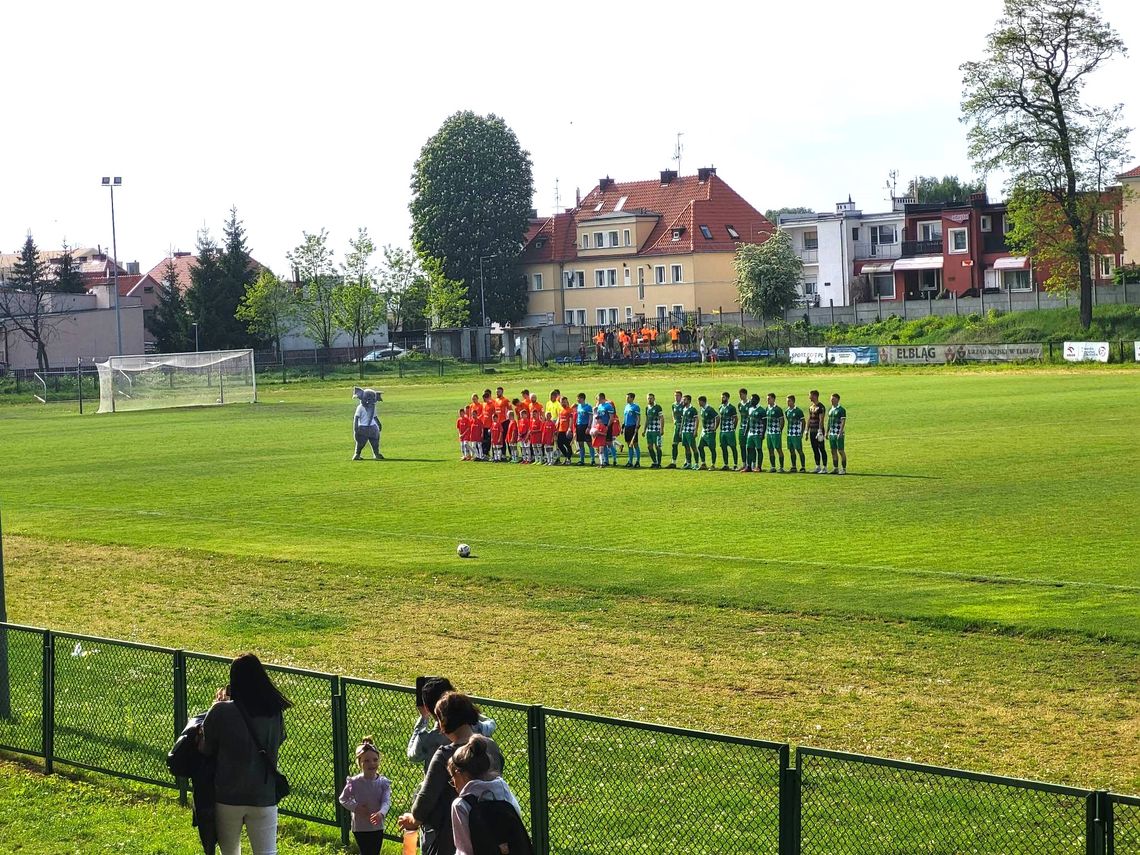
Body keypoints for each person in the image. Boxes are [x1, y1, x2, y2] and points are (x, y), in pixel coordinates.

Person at [200, 653, 292, 855]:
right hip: (263, 794)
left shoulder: (221, 711)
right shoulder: (274, 712)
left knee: (230, 852)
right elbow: (279, 740)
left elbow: (205, 748)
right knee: (267, 852)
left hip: (227, 794)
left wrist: (215, 706)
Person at [399, 693, 504, 855]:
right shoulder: (490, 746)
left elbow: (426, 798)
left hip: (452, 835)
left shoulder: (445, 755)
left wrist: (413, 819)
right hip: (491, 832)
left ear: (444, 723)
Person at [448, 735, 524, 855]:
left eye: (452, 779)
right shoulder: (502, 789)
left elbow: (465, 850)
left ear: (458, 774)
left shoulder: (461, 805)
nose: (454, 785)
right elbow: (517, 816)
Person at [339, 738, 392, 855]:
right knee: (366, 851)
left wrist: (381, 813)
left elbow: (386, 801)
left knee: (374, 852)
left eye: (375, 760)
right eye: (366, 761)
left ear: (379, 761)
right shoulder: (354, 782)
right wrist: (356, 807)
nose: (371, 763)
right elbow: (343, 798)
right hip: (360, 826)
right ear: (359, 763)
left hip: (377, 826)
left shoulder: (383, 783)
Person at [807, 390, 828, 474]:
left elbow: (821, 420)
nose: (809, 397)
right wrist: (806, 430)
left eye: (810, 395)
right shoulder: (811, 407)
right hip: (812, 430)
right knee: (814, 448)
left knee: (821, 448)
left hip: (818, 431)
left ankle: (825, 467)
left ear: (814, 396)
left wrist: (820, 430)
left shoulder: (821, 407)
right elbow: (809, 419)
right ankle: (817, 466)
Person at [743, 393, 765, 473]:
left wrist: (763, 434)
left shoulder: (761, 410)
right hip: (750, 433)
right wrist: (746, 431)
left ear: (757, 400)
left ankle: (759, 467)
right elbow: (749, 421)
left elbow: (764, 423)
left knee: (758, 449)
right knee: (749, 449)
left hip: (758, 433)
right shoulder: (750, 409)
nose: (751, 400)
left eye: (752, 399)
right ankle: (748, 466)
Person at [785, 395, 807, 473]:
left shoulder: (798, 411)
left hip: (796, 434)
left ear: (793, 401)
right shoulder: (787, 411)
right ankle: (793, 466)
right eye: (787, 401)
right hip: (789, 434)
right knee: (791, 450)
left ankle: (803, 467)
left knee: (799, 450)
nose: (787, 402)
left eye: (789, 401)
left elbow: (803, 422)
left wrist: (802, 432)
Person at [765, 392, 786, 472]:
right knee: (770, 449)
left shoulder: (778, 409)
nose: (768, 400)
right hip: (769, 433)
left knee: (778, 449)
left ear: (773, 399)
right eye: (767, 399)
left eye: (769, 399)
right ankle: (773, 466)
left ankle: (781, 467)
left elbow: (782, 421)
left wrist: (779, 430)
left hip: (776, 433)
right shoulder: (767, 408)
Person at [717, 392, 739, 471]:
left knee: (733, 447)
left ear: (727, 398)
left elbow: (736, 419)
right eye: (721, 397)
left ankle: (735, 464)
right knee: (723, 447)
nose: (722, 399)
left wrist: (733, 428)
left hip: (729, 431)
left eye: (723, 397)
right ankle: (726, 464)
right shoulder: (720, 407)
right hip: (722, 431)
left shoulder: (731, 408)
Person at [696, 395, 718, 470]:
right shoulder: (702, 409)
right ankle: (703, 463)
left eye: (698, 401)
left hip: (710, 432)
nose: (698, 403)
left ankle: (713, 464)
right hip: (704, 432)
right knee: (700, 447)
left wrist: (715, 427)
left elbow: (717, 417)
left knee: (712, 448)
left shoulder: (710, 409)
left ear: (702, 401)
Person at [827, 393, 847, 475]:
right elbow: (829, 421)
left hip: (838, 434)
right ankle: (835, 468)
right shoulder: (830, 409)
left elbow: (843, 422)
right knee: (833, 451)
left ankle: (844, 469)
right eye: (831, 399)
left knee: (841, 451)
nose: (831, 400)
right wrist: (826, 432)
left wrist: (840, 432)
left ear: (838, 399)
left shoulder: (841, 410)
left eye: (833, 399)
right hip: (831, 434)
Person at [643, 393, 664, 468]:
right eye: (648, 398)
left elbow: (661, 418)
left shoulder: (658, 407)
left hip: (656, 430)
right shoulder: (647, 408)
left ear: (654, 399)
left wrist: (661, 429)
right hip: (649, 431)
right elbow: (647, 419)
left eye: (651, 398)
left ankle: (659, 463)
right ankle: (654, 462)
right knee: (649, 447)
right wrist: (644, 430)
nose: (649, 400)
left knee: (657, 446)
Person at [679, 394, 699, 470]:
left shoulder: (693, 409)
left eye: (685, 400)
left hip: (690, 431)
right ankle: (688, 463)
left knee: (693, 447)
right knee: (686, 448)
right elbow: (683, 421)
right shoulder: (684, 409)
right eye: (683, 400)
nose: (683, 401)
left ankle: (696, 463)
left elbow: (697, 420)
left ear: (689, 401)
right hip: (684, 431)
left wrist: (695, 430)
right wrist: (681, 430)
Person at [574, 392, 594, 465]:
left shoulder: (588, 407)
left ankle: (592, 460)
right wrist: (576, 426)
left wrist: (589, 427)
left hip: (586, 426)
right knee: (580, 443)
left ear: (582, 398)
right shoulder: (578, 406)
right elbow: (578, 416)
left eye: (578, 398)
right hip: (579, 426)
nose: (577, 400)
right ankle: (582, 460)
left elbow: (590, 418)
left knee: (589, 443)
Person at [622, 392, 641, 468]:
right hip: (627, 427)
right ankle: (630, 461)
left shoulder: (636, 407)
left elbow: (638, 418)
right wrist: (622, 427)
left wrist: (637, 427)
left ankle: (637, 461)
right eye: (626, 397)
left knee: (635, 444)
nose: (627, 399)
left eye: (628, 397)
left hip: (633, 427)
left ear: (632, 398)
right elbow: (625, 417)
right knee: (629, 445)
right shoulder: (626, 406)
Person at [667, 390, 684, 469]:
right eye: (675, 396)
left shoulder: (683, 404)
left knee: (686, 445)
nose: (676, 397)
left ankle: (687, 462)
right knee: (674, 444)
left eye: (678, 396)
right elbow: (673, 413)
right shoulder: (673, 405)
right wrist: (674, 420)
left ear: (681, 396)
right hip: (676, 427)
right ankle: (673, 462)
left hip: (684, 427)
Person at [556, 396, 575, 463]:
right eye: (561, 402)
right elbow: (559, 419)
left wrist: (569, 428)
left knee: (568, 445)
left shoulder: (570, 410)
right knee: (559, 444)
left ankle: (568, 459)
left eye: (564, 402)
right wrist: (556, 428)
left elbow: (571, 419)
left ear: (567, 402)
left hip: (567, 430)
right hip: (561, 430)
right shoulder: (560, 410)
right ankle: (567, 456)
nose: (563, 403)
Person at [737, 388, 750, 469]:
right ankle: (744, 463)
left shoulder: (750, 404)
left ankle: (751, 464)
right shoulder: (740, 404)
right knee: (742, 446)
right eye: (739, 395)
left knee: (749, 447)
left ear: (745, 394)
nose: (740, 396)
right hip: (741, 428)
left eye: (741, 394)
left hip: (749, 428)